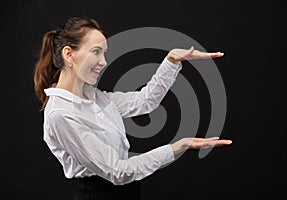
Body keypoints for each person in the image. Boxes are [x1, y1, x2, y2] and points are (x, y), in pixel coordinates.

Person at [33, 16, 232, 200]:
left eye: (104, 53)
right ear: (69, 54)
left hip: (126, 192)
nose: (103, 62)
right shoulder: (62, 114)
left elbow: (144, 102)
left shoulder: (94, 97)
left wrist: (171, 61)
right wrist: (177, 147)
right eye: (96, 52)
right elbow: (118, 172)